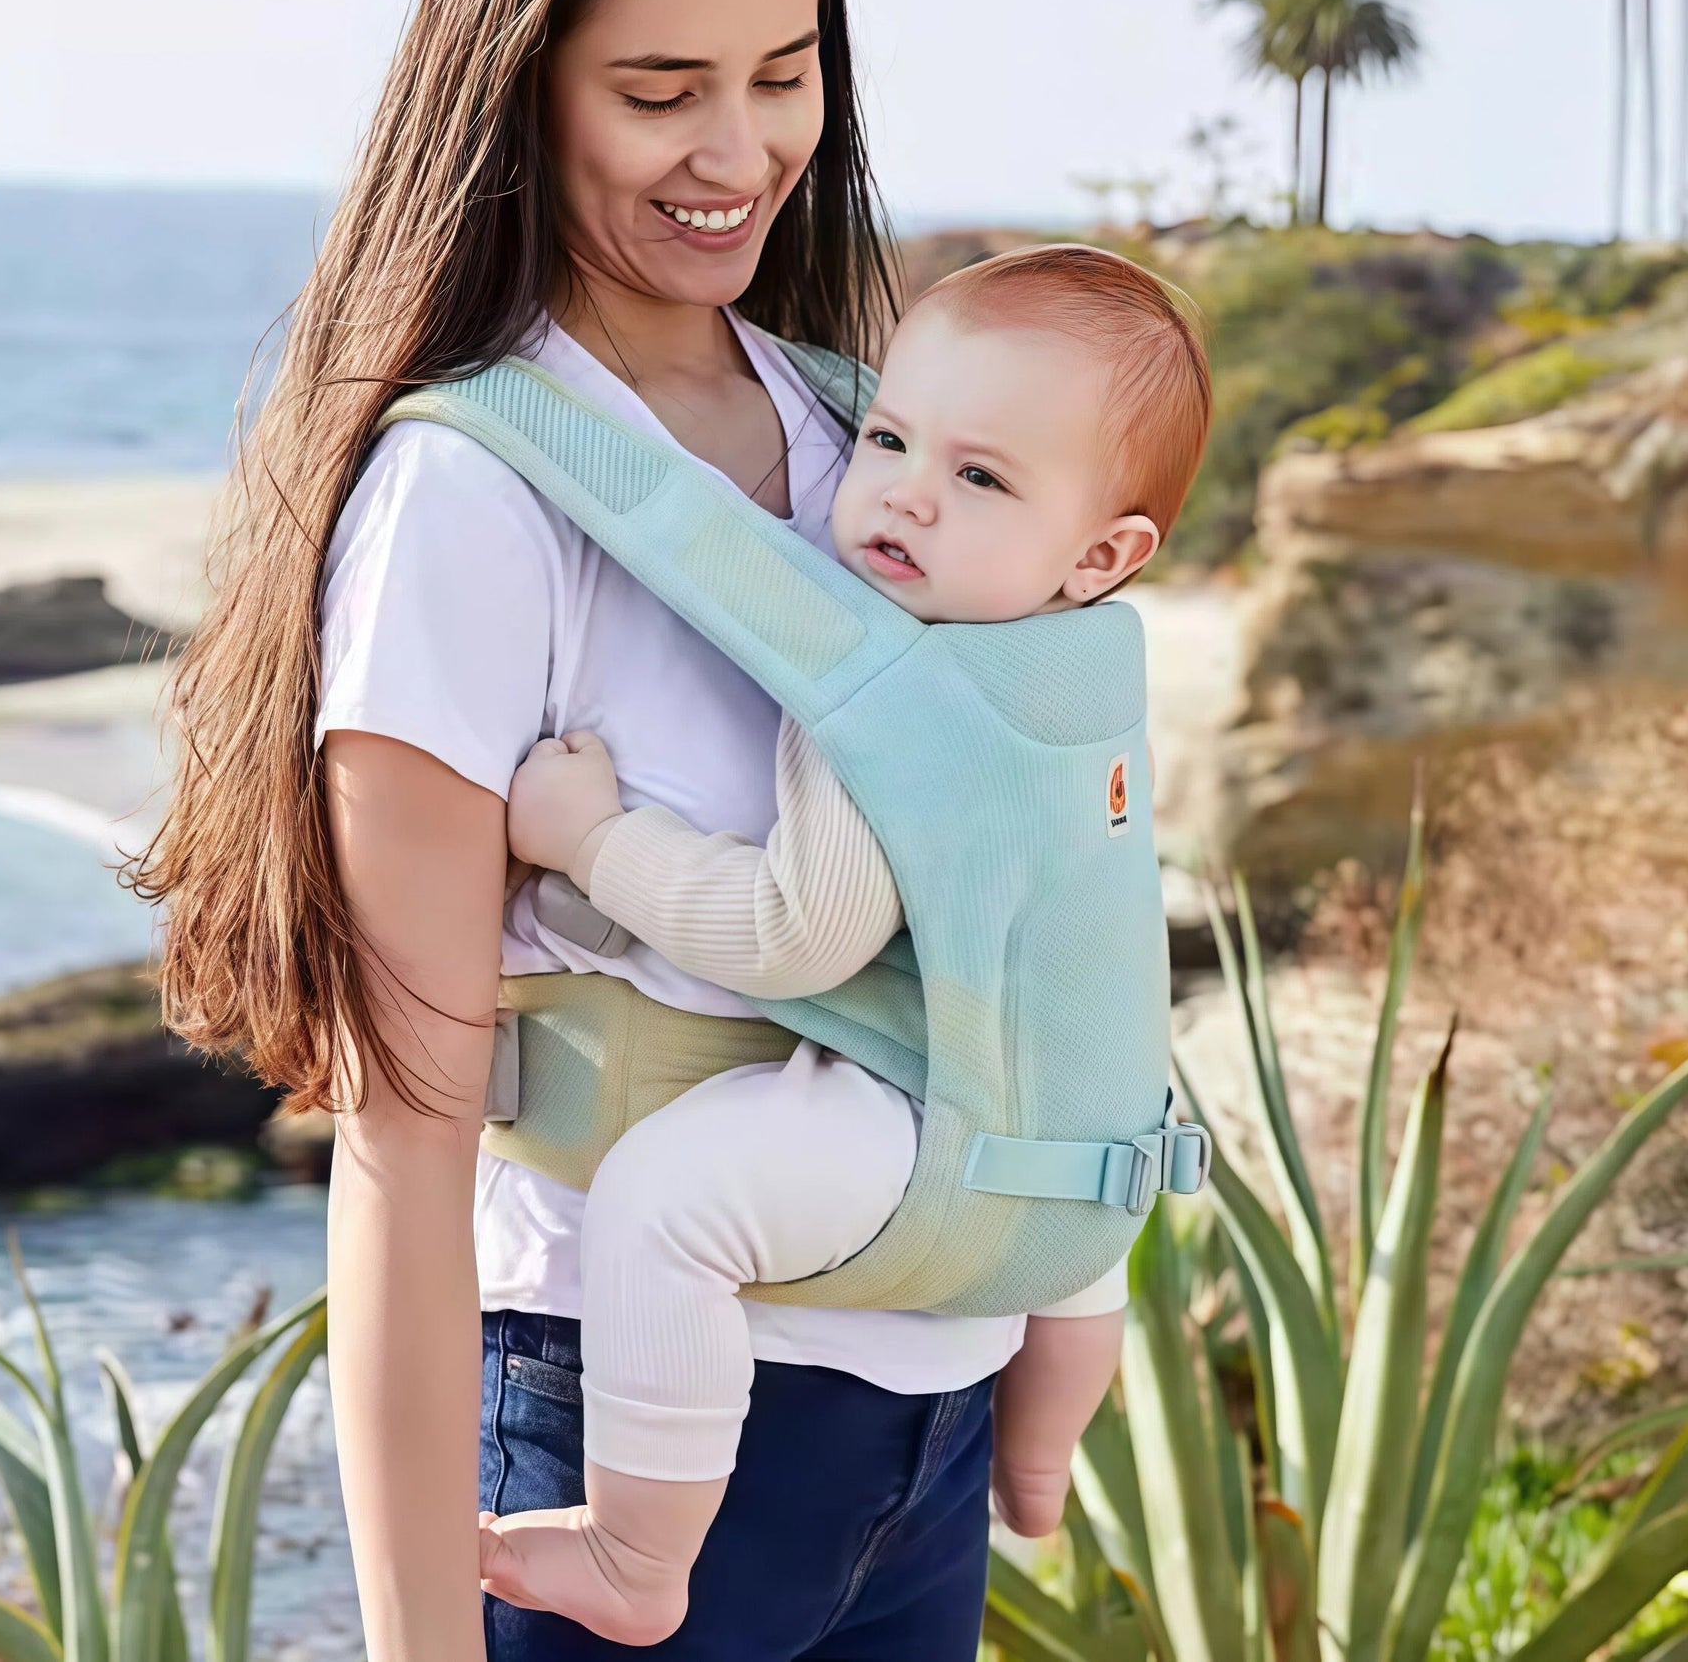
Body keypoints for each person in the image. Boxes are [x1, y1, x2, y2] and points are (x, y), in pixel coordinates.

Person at [136, 0, 1117, 1659]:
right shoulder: (474, 499)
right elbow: (408, 1145)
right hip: (624, 1444)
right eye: (660, 91)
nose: (740, 152)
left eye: (785, 74)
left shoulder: (870, 441)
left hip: (923, 1419)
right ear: (516, 91)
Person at [479, 245, 1211, 1643]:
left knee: (668, 1205)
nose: (904, 492)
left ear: (1102, 553)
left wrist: (590, 840)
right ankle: (1040, 1471)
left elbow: (792, 932)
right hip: (1090, 1154)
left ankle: (633, 1554)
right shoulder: (1081, 669)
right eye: (884, 437)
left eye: (980, 479)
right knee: (1074, 1234)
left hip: (929, 1130)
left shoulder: (886, 680)